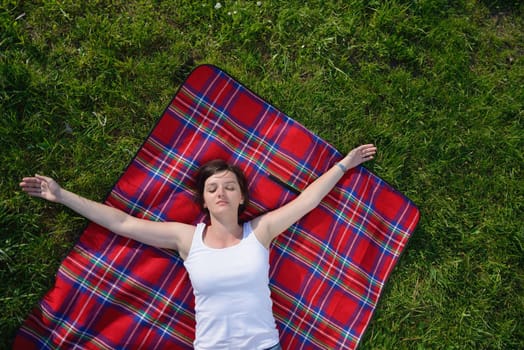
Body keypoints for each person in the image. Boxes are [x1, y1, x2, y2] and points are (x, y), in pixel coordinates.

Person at [19, 144, 377, 350]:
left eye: (229, 187)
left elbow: (307, 202)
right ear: (204, 202)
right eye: (212, 189)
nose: (221, 193)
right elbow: (122, 223)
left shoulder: (260, 231)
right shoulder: (186, 238)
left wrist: (344, 165)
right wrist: (62, 196)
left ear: (241, 197)